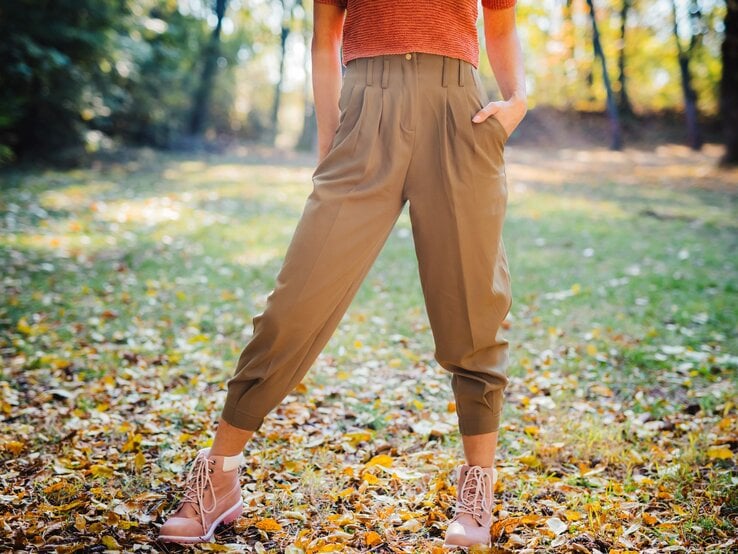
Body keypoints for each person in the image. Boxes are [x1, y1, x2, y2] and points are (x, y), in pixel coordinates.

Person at [157, 0, 527, 548]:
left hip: (459, 116)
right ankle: (221, 474)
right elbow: (323, 38)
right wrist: (330, 136)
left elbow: (499, 18)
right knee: (294, 304)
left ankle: (477, 489)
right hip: (364, 111)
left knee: (473, 309)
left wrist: (518, 99)